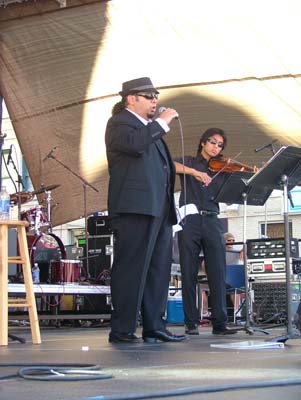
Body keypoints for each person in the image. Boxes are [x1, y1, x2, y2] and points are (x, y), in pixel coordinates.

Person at [105, 77, 186, 344]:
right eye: (149, 96)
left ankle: (154, 324)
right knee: (132, 268)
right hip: (134, 209)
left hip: (158, 208)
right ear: (131, 98)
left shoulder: (151, 129)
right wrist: (161, 123)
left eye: (156, 95)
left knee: (158, 269)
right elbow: (134, 145)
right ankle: (123, 329)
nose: (155, 101)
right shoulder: (120, 124)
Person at [174, 127, 238, 336]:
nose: (215, 147)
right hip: (190, 220)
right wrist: (195, 172)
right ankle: (190, 322)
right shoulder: (189, 162)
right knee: (188, 271)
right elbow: (167, 164)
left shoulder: (223, 169)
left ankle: (220, 323)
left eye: (220, 145)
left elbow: (230, 197)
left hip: (212, 220)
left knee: (218, 272)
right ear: (203, 142)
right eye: (212, 142)